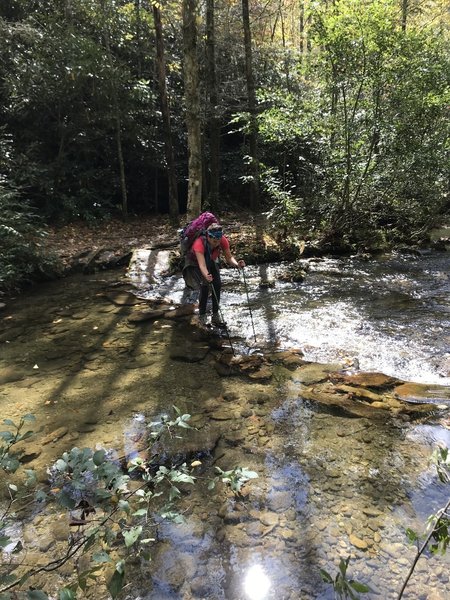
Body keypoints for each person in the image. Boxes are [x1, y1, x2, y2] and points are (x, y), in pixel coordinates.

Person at [182, 222, 245, 326]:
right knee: (205, 287)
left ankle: (215, 316)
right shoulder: (199, 243)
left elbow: (229, 257)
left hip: (212, 260)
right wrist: (206, 275)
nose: (216, 243)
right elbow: (202, 265)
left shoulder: (222, 240)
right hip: (196, 262)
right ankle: (202, 316)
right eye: (214, 241)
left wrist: (237, 264)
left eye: (218, 241)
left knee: (217, 285)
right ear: (209, 237)